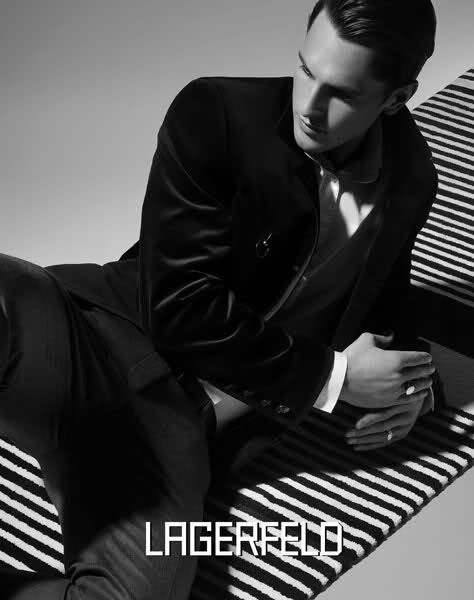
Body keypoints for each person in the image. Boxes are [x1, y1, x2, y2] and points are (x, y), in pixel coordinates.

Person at [0, 0, 441, 598]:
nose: (310, 106)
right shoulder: (217, 113)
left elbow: (387, 301)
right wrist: (334, 378)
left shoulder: (410, 177)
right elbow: (178, 308)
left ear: (397, 98)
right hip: (94, 335)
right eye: (306, 70)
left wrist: (409, 387)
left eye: (342, 93)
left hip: (176, 432)